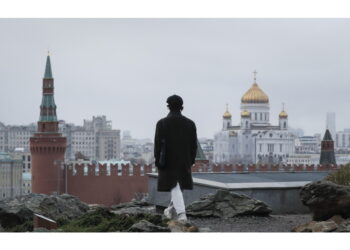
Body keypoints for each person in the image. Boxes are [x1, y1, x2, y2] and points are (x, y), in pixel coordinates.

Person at [154, 95, 197, 222]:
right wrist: (191, 160)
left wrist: (158, 161)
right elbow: (193, 145)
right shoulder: (190, 124)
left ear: (168, 107)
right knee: (178, 185)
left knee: (174, 186)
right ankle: (170, 210)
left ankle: (181, 214)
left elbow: (157, 145)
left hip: (168, 160)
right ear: (182, 107)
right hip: (184, 160)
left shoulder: (162, 123)